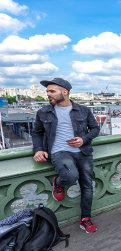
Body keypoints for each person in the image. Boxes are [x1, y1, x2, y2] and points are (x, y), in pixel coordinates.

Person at [32, 78, 100, 233]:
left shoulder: (83, 110)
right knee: (71, 176)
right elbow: (37, 133)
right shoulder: (43, 112)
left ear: (65, 92)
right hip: (59, 151)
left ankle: (85, 219)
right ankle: (60, 182)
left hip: (83, 152)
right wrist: (38, 149)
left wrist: (84, 139)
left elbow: (95, 129)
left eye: (52, 91)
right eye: (47, 91)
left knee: (87, 186)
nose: (48, 94)